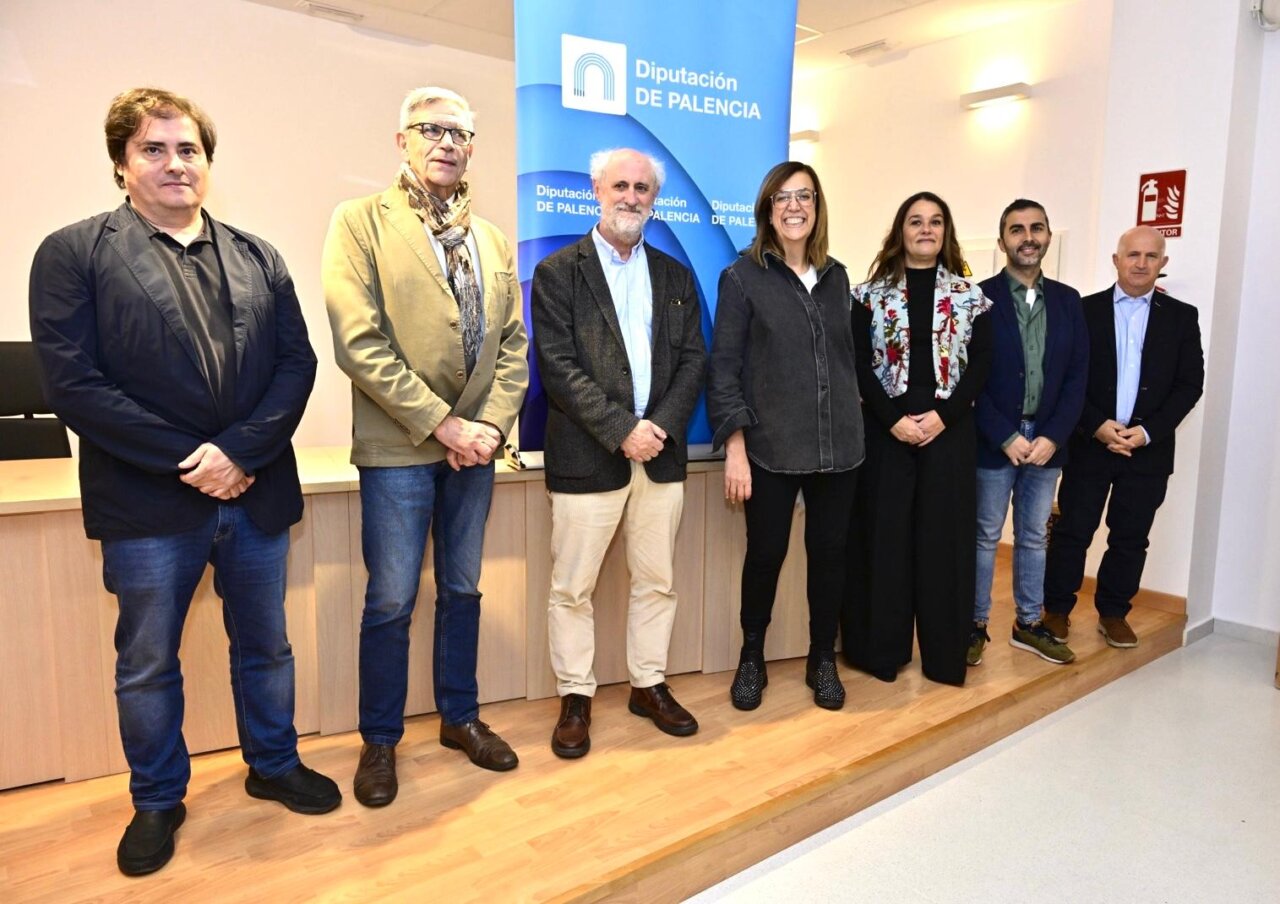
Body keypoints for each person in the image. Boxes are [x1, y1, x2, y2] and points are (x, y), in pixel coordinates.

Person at [29, 87, 337, 876]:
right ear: (121, 165)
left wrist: (240, 452)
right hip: (148, 504)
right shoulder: (73, 253)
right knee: (147, 662)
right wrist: (194, 459)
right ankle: (158, 799)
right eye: (154, 149)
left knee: (266, 647)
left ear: (207, 160)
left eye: (188, 149)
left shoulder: (257, 254)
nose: (175, 164)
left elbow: (295, 365)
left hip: (255, 493)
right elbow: (74, 386)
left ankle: (272, 764)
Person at [322, 87, 529, 806]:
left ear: (473, 147)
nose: (446, 142)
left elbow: (512, 347)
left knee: (464, 590)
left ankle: (460, 718)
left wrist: (492, 428)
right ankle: (379, 742)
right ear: (402, 140)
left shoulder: (492, 238)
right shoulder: (359, 223)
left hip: (475, 453)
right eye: (431, 130)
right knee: (391, 600)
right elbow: (360, 344)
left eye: (460, 133)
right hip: (403, 448)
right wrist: (445, 424)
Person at [531, 147, 706, 759]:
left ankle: (647, 684)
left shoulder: (676, 277)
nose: (631, 197)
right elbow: (557, 367)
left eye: (643, 189)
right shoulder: (559, 272)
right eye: (620, 186)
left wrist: (656, 427)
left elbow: (692, 362)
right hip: (588, 456)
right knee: (572, 588)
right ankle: (576, 694)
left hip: (659, 456)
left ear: (654, 200)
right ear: (597, 191)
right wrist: (621, 429)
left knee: (657, 582)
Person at [707, 161, 863, 711]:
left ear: (817, 208)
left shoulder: (839, 276)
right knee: (766, 555)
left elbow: (850, 362)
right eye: (782, 198)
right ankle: (752, 658)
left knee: (830, 557)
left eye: (805, 197)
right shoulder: (742, 278)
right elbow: (723, 369)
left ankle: (822, 659)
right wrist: (735, 449)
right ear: (767, 210)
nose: (794, 207)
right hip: (769, 449)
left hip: (839, 448)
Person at [842, 191, 993, 687]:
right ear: (900, 231)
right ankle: (880, 653)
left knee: (943, 545)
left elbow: (981, 370)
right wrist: (894, 421)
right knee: (884, 542)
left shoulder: (973, 298)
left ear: (945, 232)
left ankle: (944, 659)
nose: (925, 229)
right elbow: (859, 367)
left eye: (935, 222)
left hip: (948, 436)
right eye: (915, 221)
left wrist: (941, 418)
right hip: (887, 435)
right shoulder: (867, 296)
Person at [1042, 226, 1204, 648]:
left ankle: (1114, 613)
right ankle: (1056, 610)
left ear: (1163, 265)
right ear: (1116, 260)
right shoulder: (1084, 310)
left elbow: (1190, 384)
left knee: (1131, 537)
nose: (1141, 263)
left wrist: (1147, 432)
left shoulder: (1182, 317)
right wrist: (1096, 425)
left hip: (1147, 452)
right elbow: (1067, 378)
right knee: (1073, 531)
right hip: (1090, 444)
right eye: (1133, 254)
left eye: (1151, 256)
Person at [970, 199, 1088, 667]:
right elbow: (969, 381)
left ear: (1047, 237)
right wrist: (1004, 435)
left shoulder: (1068, 300)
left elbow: (1078, 376)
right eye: (1017, 230)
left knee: (1035, 536)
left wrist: (1053, 437)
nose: (1028, 237)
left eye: (1036, 228)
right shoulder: (977, 298)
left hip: (1046, 444)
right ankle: (974, 624)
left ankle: (1029, 623)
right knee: (983, 536)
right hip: (994, 441)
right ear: (1002, 242)